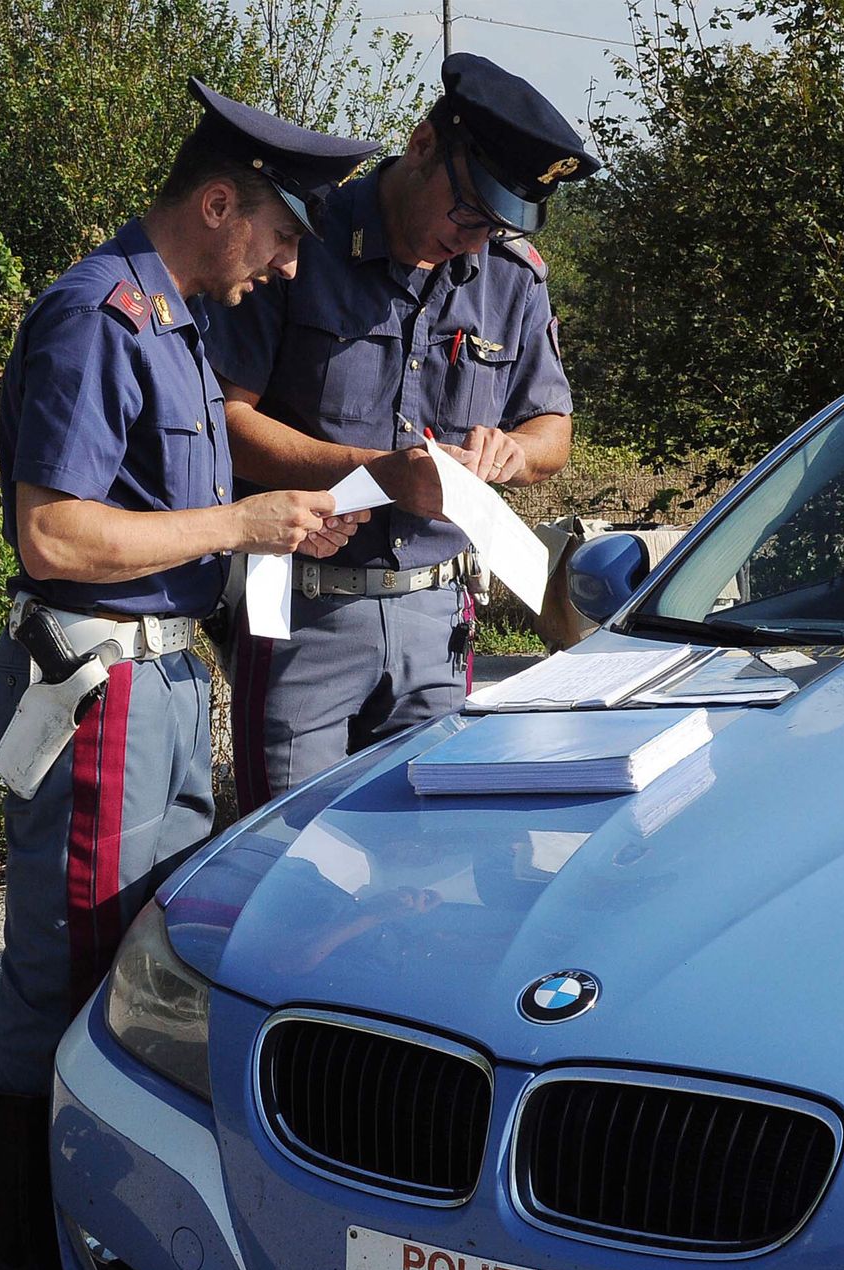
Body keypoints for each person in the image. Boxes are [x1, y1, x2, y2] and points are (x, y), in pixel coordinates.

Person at [0, 81, 378, 1270]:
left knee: (147, 975)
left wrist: (286, 516)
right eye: (283, 239)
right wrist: (242, 525)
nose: (290, 267)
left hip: (165, 676)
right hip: (105, 686)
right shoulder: (99, 314)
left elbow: (176, 511)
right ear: (218, 202)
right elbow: (57, 532)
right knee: (72, 977)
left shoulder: (181, 324)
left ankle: (114, 1249)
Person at [210, 53, 600, 812]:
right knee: (288, 851)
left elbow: (553, 429)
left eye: (497, 225)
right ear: (423, 145)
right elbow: (224, 421)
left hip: (438, 619)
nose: (476, 241)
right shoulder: (301, 242)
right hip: (301, 608)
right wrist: (379, 472)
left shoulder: (509, 275)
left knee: (423, 857)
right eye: (468, 213)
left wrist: (513, 453)